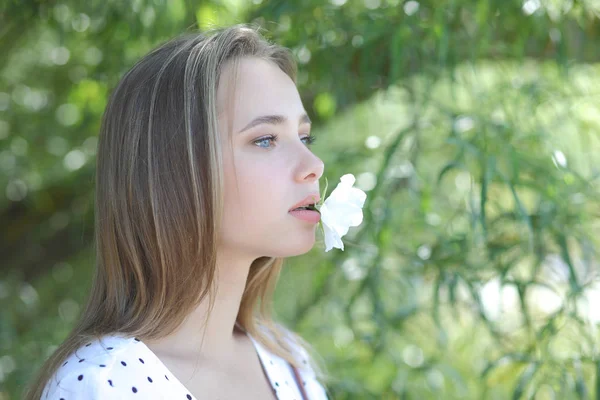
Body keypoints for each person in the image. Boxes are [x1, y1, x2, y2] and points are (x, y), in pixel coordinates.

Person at [23, 23, 331, 399]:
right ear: (173, 170)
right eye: (265, 139)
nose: (313, 164)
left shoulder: (288, 363)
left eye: (304, 137)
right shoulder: (102, 385)